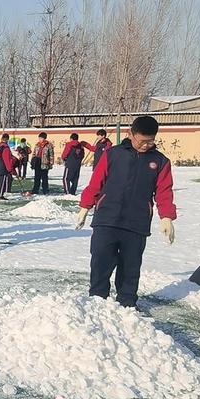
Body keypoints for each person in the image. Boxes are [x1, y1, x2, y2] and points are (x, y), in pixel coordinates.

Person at [76, 116, 176, 308]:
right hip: (107, 219)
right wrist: (84, 207)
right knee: (100, 263)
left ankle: (127, 305)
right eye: (142, 141)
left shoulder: (160, 161)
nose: (146, 145)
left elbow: (164, 191)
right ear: (131, 134)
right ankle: (97, 302)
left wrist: (166, 217)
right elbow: (96, 182)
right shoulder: (113, 154)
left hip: (136, 224)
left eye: (150, 141)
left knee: (130, 268)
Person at [0, 133, 18, 200]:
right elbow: (7, 160)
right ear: (7, 139)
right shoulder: (5, 148)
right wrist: (10, 169)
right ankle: (0, 196)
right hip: (3, 168)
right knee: (2, 183)